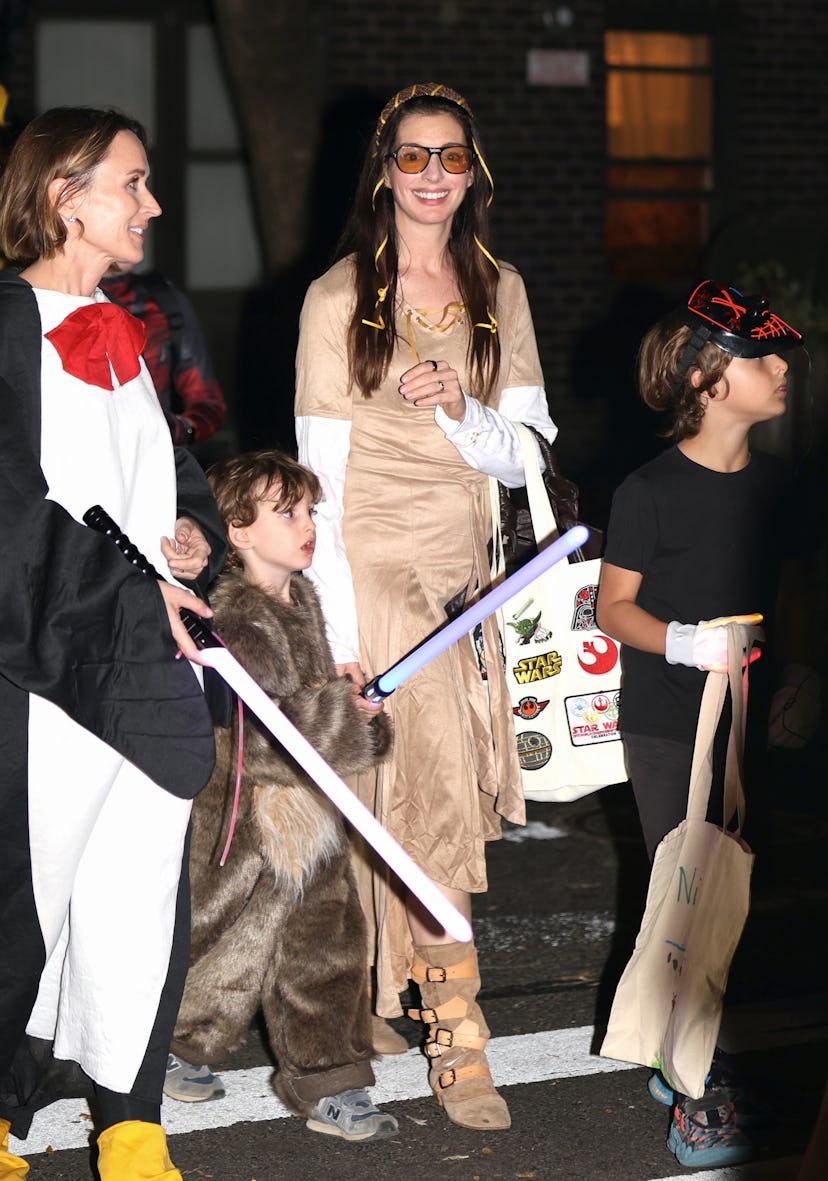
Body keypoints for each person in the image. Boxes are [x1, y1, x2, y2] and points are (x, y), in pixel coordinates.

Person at [294, 81, 558, 1131]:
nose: (435, 175)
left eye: (452, 156)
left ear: (473, 172)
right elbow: (321, 479)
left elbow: (531, 456)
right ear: (383, 171)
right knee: (435, 791)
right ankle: (458, 1026)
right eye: (414, 157)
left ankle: (373, 992)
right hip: (377, 572)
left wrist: (463, 411)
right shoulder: (333, 299)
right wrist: (343, 639)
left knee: (406, 793)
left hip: (473, 570)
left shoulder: (503, 289)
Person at [0, 106, 226, 1181]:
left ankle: (130, 1116)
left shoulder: (123, 326)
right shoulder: (4, 326)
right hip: (42, 669)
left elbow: (172, 483)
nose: (153, 203)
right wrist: (138, 599)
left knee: (138, 888)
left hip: (144, 653)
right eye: (132, 182)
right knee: (26, 886)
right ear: (63, 195)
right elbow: (10, 516)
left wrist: (196, 538)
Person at [596, 279, 806, 1169]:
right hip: (666, 720)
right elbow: (615, 608)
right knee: (685, 891)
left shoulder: (783, 487)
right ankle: (697, 1090)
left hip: (748, 720)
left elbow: (792, 594)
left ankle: (688, 1050)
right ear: (709, 376)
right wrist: (683, 643)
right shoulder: (648, 491)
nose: (782, 367)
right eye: (762, 357)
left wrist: (803, 674)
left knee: (739, 896)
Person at [167, 449, 399, 1143]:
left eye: (309, 511)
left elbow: (318, 710)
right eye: (287, 512)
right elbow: (252, 736)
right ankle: (178, 1042)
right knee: (220, 936)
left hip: (310, 813)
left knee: (325, 944)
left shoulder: (304, 599)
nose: (307, 526)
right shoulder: (231, 614)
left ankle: (331, 1079)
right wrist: (339, 716)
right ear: (237, 530)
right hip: (244, 819)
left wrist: (361, 720)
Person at [100, 267, 227, 447]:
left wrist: (174, 430)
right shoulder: (53, 298)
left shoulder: (160, 297)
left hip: (152, 461)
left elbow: (208, 402)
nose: (140, 236)